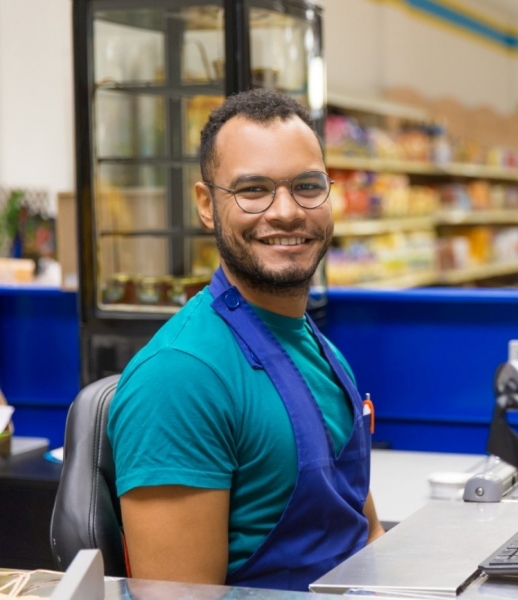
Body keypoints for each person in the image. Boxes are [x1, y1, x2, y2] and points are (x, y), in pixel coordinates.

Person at [108, 88, 385, 592]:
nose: (286, 212)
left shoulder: (320, 349)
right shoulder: (180, 378)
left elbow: (365, 533)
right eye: (253, 190)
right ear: (207, 205)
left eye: (306, 186)